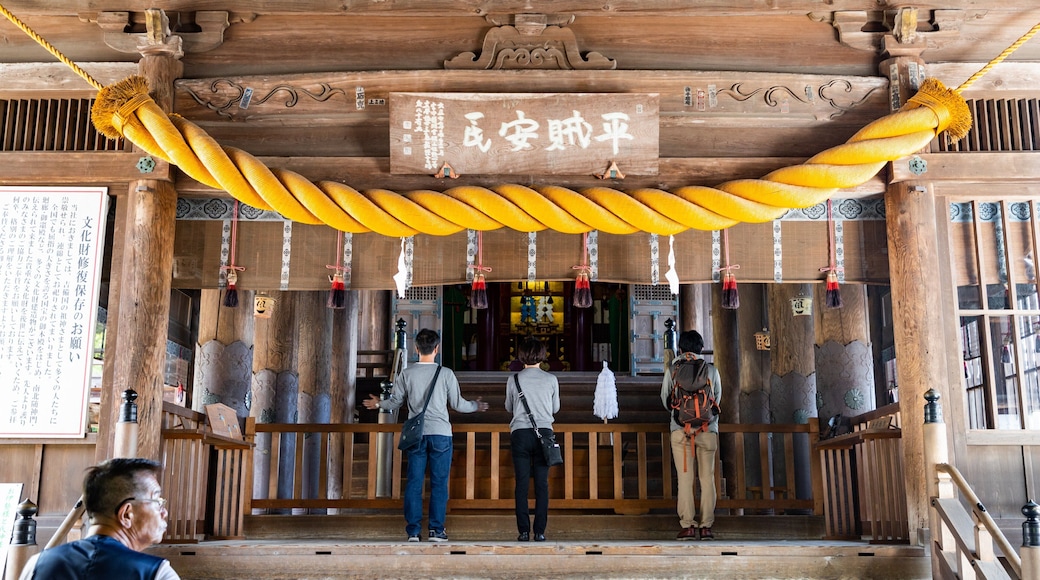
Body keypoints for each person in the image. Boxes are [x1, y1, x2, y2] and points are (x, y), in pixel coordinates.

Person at [363, 328, 489, 542]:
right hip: (441, 434)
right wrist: (476, 405)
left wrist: (378, 404)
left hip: (416, 434)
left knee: (414, 482)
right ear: (437, 349)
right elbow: (458, 405)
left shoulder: (407, 373)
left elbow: (394, 402)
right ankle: (436, 530)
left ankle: (413, 531)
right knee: (439, 483)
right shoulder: (446, 373)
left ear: (416, 348)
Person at [19, 458, 179, 580]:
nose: (163, 512)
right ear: (126, 514)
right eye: (157, 501)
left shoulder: (38, 565)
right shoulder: (156, 573)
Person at [661, 329, 722, 541]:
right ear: (700, 348)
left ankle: (687, 526)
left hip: (680, 431)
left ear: (680, 348)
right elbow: (717, 399)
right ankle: (706, 527)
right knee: (707, 479)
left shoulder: (673, 369)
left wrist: (681, 415)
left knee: (685, 479)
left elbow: (665, 399)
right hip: (707, 430)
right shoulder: (711, 370)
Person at [504, 337, 561, 542]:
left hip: (520, 433)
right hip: (544, 433)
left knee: (521, 483)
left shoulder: (514, 379)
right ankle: (540, 531)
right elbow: (555, 408)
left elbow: (509, 408)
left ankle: (523, 531)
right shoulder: (551, 379)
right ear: (542, 355)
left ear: (521, 356)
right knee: (541, 484)